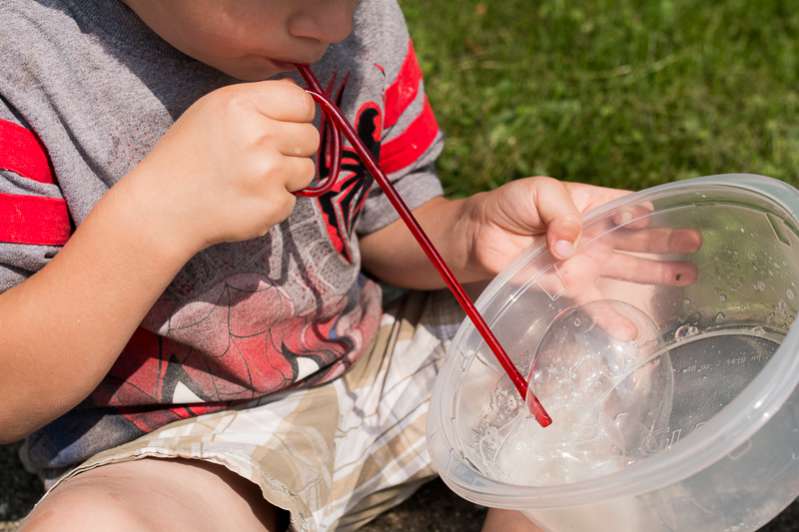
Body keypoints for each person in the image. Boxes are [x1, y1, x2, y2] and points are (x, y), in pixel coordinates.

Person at [0, 1, 699, 530]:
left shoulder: (354, 22)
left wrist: (466, 232)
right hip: (175, 444)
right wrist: (155, 218)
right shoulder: (22, 72)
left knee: (605, 278)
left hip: (381, 353)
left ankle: (553, 481)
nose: (333, 24)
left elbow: (382, 222)